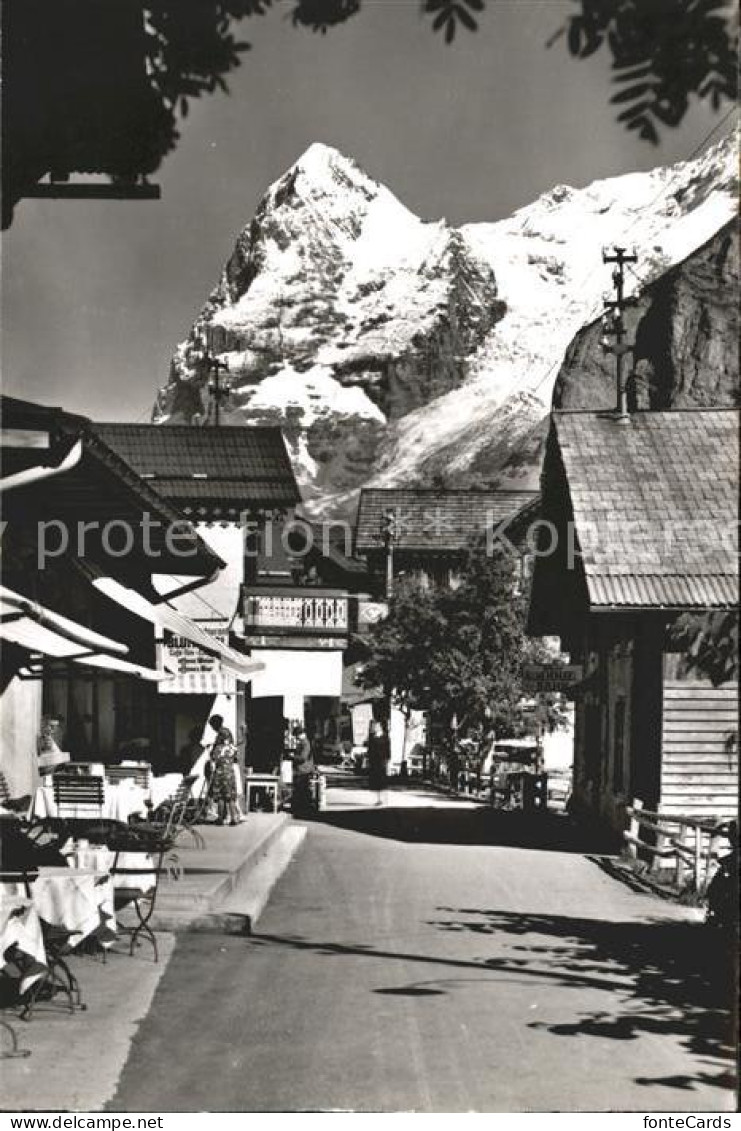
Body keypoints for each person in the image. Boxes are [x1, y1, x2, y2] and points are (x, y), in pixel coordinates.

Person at [206, 715, 244, 826]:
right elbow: (235, 756)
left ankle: (221, 818)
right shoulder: (231, 748)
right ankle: (233, 819)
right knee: (230, 796)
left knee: (220, 796)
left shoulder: (218, 747)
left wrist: (211, 751)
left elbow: (213, 756)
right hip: (229, 771)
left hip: (220, 771)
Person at [291, 724, 315, 816]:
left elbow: (303, 757)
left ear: (300, 734)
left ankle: (302, 809)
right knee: (302, 790)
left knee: (301, 790)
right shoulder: (304, 742)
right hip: (304, 770)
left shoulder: (305, 743)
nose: (296, 738)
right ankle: (303, 808)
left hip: (303, 770)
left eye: (296, 736)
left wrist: (293, 757)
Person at [367, 720, 390, 806]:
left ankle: (383, 799)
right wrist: (369, 760)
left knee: (382, 780)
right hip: (374, 761)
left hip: (382, 761)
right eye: (374, 726)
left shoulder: (385, 737)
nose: (374, 728)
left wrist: (388, 760)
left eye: (376, 726)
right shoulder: (371, 737)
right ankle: (378, 799)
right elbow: (369, 749)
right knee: (376, 781)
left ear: (380, 727)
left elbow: (388, 749)